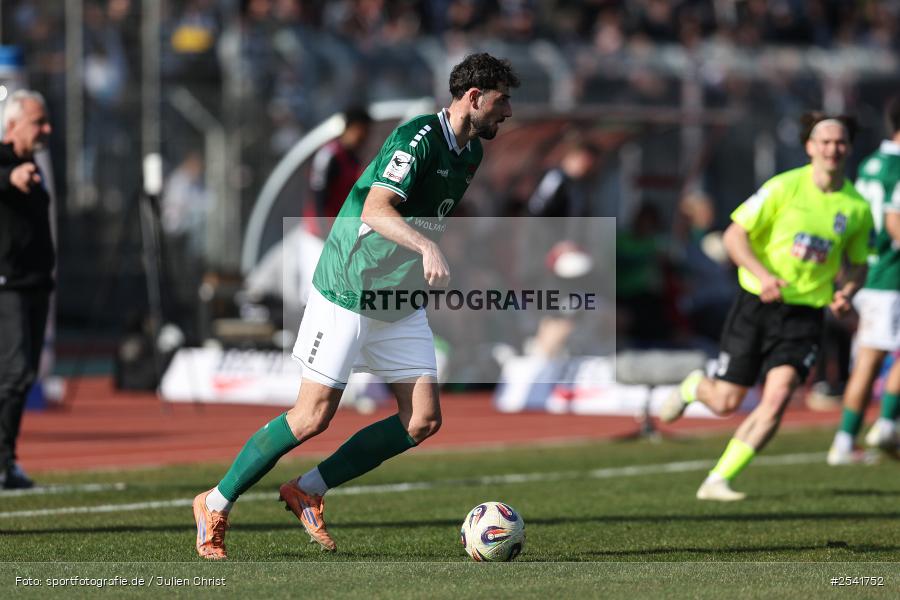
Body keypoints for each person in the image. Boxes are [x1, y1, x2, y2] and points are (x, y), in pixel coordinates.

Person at [193, 53, 519, 558]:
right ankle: (214, 501)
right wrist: (427, 247)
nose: (508, 112)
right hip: (350, 284)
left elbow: (427, 219)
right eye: (502, 100)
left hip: (399, 296)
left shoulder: (470, 154)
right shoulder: (418, 139)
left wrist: (432, 253)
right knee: (312, 416)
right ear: (473, 98)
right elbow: (375, 207)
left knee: (423, 420)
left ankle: (309, 489)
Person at [659, 112, 874, 501]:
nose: (832, 148)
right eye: (824, 141)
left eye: (839, 142)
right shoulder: (783, 188)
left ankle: (717, 480)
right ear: (810, 147)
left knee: (778, 399)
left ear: (848, 148)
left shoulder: (856, 207)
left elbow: (858, 262)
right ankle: (695, 386)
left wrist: (848, 292)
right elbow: (734, 236)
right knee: (726, 402)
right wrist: (763, 274)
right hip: (757, 303)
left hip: (805, 314)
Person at [827, 96, 900, 464]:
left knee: (869, 360)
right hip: (892, 272)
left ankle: (844, 441)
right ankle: (886, 423)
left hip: (866, 271)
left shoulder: (871, 162)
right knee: (875, 358)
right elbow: (895, 222)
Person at [0, 90, 54, 489]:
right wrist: (8, 176)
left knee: (23, 373)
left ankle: (6, 460)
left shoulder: (31, 162)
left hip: (35, 284)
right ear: (13, 124)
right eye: (38, 121)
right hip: (9, 285)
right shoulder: (7, 160)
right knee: (15, 372)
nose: (46, 128)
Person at [304, 106, 372, 237]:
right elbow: (318, 196)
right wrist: (324, 232)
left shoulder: (353, 158)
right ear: (351, 128)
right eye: (362, 130)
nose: (365, 137)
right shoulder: (329, 155)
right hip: (319, 234)